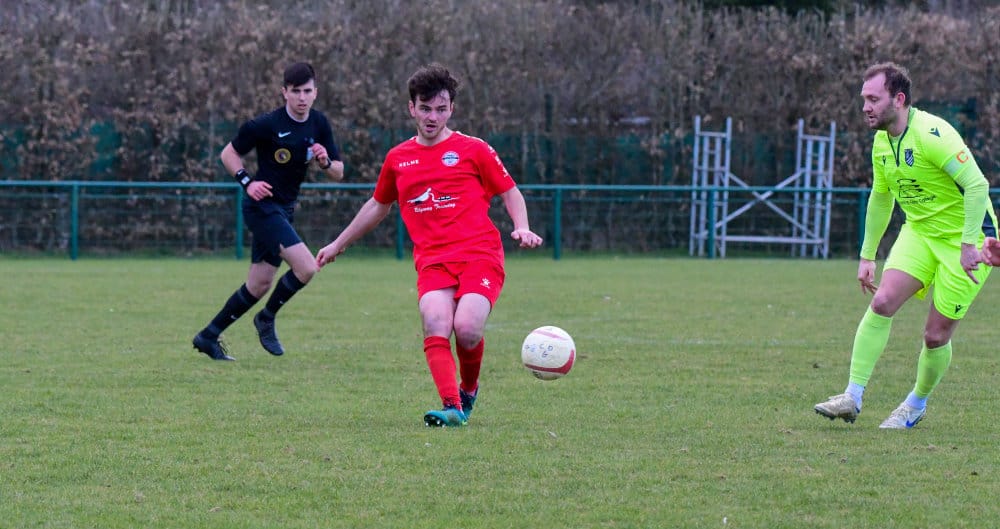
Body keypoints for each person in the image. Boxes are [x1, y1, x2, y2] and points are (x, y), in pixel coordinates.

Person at [315, 63, 543, 427]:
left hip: (479, 255)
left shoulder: (474, 149)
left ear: (452, 109)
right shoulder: (398, 158)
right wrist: (338, 244)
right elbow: (377, 205)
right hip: (433, 260)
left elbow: (510, 191)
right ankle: (452, 407)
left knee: (467, 328)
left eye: (440, 108)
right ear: (412, 108)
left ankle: (469, 389)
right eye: (425, 108)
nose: (432, 117)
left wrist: (523, 227)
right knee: (435, 321)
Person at [814, 62, 996, 428]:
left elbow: (977, 185)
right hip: (919, 233)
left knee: (935, 336)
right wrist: (867, 255)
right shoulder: (882, 142)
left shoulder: (932, 134)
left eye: (873, 99)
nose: (865, 107)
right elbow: (881, 197)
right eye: (864, 99)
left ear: (898, 100)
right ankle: (852, 396)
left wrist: (967, 245)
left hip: (966, 241)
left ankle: (915, 404)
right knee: (881, 302)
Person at [192, 62, 344, 361]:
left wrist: (325, 162)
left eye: (307, 91)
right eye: (296, 91)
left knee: (259, 283)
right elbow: (229, 153)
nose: (302, 97)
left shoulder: (319, 123)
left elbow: (338, 172)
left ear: (316, 92)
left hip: (284, 210)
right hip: (262, 207)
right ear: (284, 92)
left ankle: (208, 336)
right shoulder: (266, 124)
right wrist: (247, 182)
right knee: (307, 267)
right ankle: (266, 318)